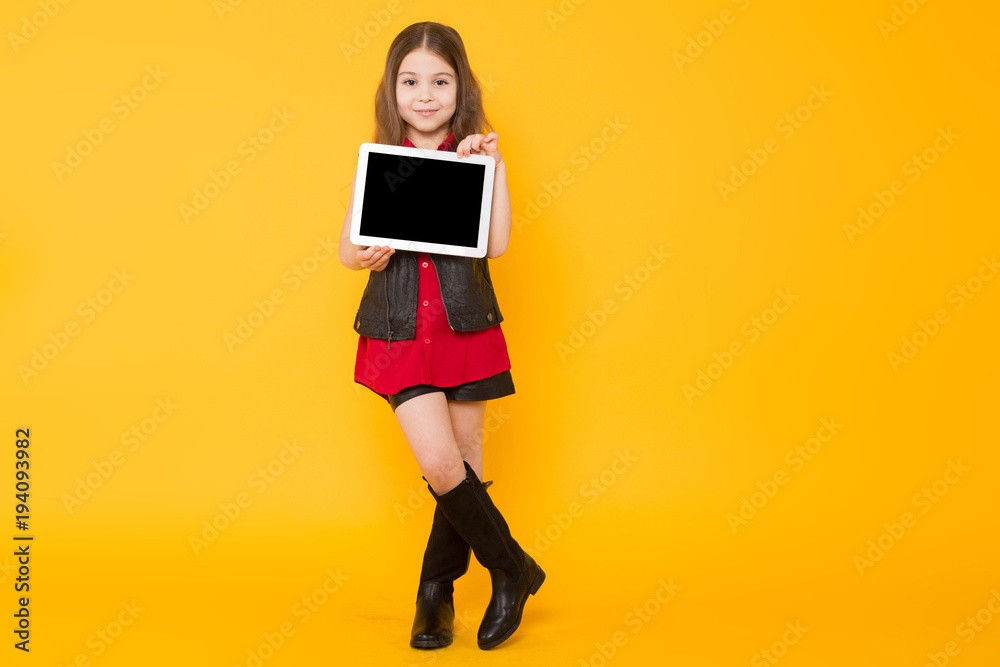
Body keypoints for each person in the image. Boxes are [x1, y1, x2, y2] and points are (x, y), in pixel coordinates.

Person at [338, 22, 544, 651]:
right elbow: (348, 249)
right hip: (400, 328)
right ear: (391, 90)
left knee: (466, 458)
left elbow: (499, 243)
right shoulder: (381, 161)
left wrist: (494, 169)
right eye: (410, 81)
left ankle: (436, 593)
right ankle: (511, 566)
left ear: (460, 89)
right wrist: (367, 255)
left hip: (465, 321)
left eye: (439, 81)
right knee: (438, 462)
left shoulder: (474, 158)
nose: (424, 94)